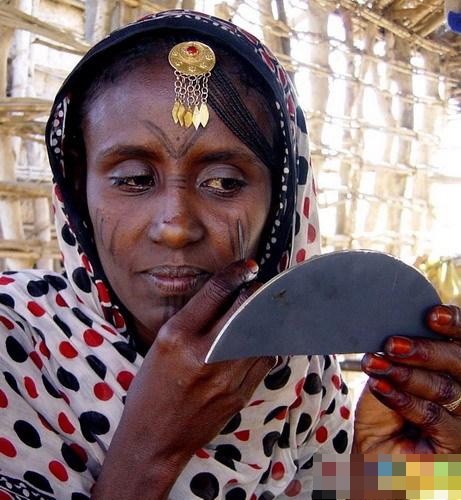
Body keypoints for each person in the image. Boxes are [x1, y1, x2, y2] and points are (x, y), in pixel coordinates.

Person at [0, 9, 460, 500]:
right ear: (77, 191)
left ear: (283, 205)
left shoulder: (299, 373)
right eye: (134, 179)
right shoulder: (16, 350)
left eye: (223, 182)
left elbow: (344, 488)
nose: (176, 227)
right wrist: (152, 449)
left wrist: (397, 479)